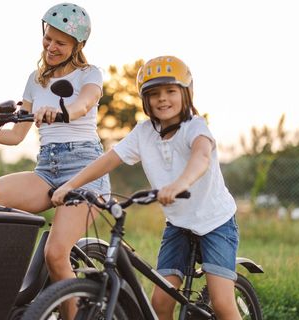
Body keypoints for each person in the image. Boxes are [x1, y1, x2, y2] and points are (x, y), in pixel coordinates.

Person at [51, 56, 242, 319]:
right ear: (145, 100)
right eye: (153, 94)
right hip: (179, 224)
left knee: (221, 303)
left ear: (186, 94)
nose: (162, 99)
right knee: (161, 303)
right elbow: (108, 160)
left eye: (170, 91)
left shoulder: (194, 127)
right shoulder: (144, 133)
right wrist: (70, 185)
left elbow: (201, 157)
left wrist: (179, 185)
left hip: (216, 222)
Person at [0, 2, 110, 316]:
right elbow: (16, 135)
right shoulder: (35, 79)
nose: (51, 47)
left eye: (61, 43)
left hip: (85, 170)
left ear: (76, 46)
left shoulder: (89, 74)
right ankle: (12, 284)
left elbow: (83, 104)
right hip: (46, 169)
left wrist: (61, 112)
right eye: (48, 38)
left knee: (57, 253)